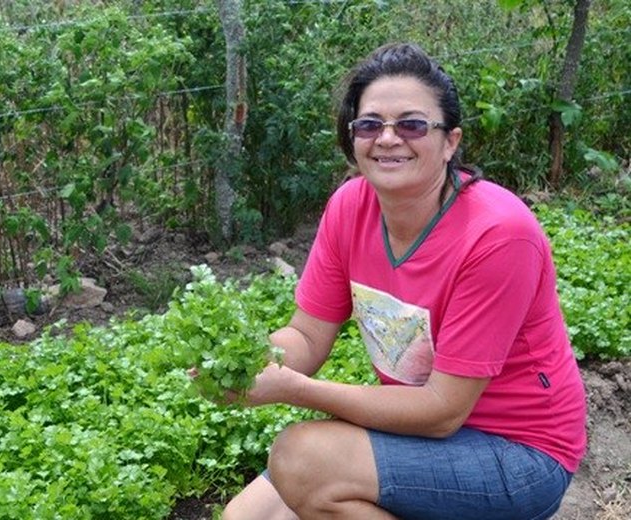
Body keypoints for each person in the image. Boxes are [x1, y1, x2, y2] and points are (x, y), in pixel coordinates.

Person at [219, 43, 587, 520]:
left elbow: (441, 411)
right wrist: (247, 364)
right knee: (246, 517)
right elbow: (307, 335)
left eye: (411, 124)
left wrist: (293, 389)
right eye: (370, 125)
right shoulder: (350, 207)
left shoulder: (499, 235)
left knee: (302, 460)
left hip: (518, 452)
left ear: (450, 141)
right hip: (416, 433)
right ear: (353, 138)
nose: (388, 139)